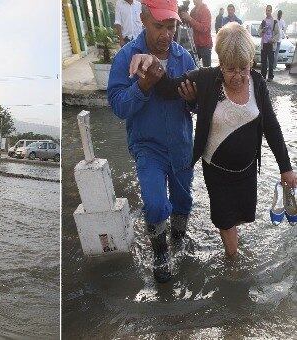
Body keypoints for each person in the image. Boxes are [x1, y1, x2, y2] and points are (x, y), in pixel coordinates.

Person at [129, 22, 297, 258]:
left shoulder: (257, 82)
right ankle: (233, 260)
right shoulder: (206, 79)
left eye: (243, 68)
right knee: (225, 220)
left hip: (247, 170)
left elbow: (271, 125)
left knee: (241, 216)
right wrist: (152, 62)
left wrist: (285, 168)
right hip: (216, 169)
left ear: (251, 62)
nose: (238, 76)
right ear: (220, 62)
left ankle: (234, 249)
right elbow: (167, 89)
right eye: (230, 69)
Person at [107, 0, 196, 283]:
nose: (166, 34)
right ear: (143, 19)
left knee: (183, 200)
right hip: (148, 147)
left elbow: (198, 106)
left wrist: (193, 101)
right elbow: (118, 107)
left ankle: (178, 239)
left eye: (171, 27)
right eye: (159, 26)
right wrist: (143, 86)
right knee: (155, 204)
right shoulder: (126, 58)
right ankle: (160, 252)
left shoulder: (185, 58)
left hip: (181, 144)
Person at [180, 0, 212, 67]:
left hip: (205, 45)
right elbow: (189, 24)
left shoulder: (205, 11)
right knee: (194, 67)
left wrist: (189, 18)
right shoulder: (193, 11)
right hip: (195, 45)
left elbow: (204, 28)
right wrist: (184, 18)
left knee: (207, 67)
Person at [259, 5, 276, 81]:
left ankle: (270, 77)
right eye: (266, 10)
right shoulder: (263, 21)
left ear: (271, 11)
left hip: (271, 44)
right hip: (264, 44)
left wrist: (273, 39)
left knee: (271, 62)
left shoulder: (274, 21)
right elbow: (259, 32)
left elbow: (278, 34)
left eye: (269, 10)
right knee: (263, 62)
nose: (267, 12)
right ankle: (263, 76)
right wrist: (262, 30)